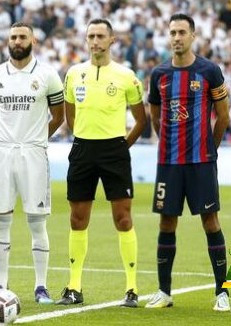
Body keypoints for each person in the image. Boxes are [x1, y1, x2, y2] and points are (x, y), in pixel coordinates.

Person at [56, 18, 147, 307]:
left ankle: (131, 289)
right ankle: (74, 287)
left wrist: (120, 147)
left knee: (123, 218)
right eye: (90, 36)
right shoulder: (73, 74)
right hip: (83, 150)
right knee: (77, 219)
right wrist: (83, 137)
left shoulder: (126, 76)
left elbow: (140, 120)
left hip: (114, 152)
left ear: (112, 40)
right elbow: (70, 116)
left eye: (100, 36)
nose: (95, 41)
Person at [145, 13, 231, 311]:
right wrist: (168, 140)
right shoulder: (159, 74)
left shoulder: (209, 71)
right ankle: (164, 292)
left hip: (201, 162)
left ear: (193, 36)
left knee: (210, 221)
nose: (177, 37)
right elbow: (155, 116)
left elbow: (224, 116)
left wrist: (211, 148)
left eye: (182, 32)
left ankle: (222, 292)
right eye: (173, 32)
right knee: (167, 222)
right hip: (169, 163)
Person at [0, 22, 64, 304]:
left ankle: (41, 287)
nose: (17, 41)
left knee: (36, 221)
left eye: (22, 37)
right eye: (13, 37)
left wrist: (38, 136)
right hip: (2, 152)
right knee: (0, 219)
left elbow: (59, 115)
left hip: (33, 152)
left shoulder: (48, 75)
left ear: (33, 40)